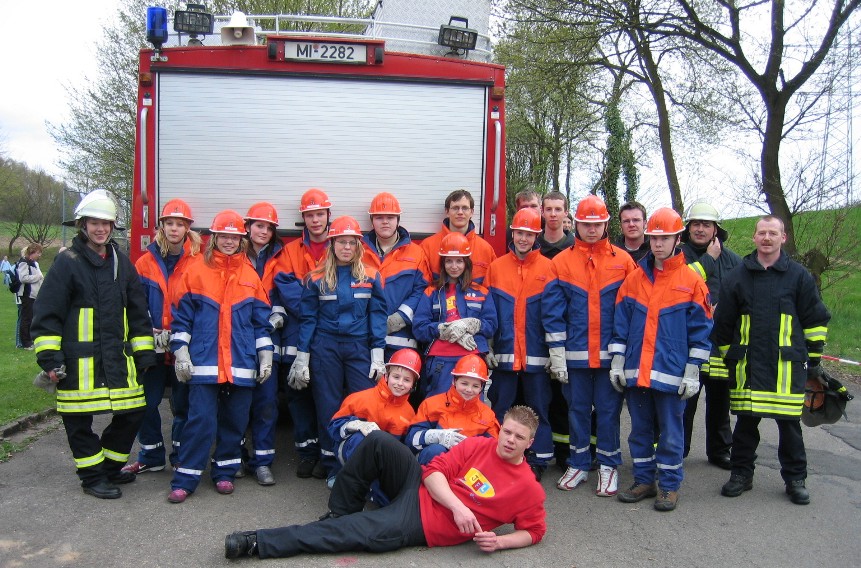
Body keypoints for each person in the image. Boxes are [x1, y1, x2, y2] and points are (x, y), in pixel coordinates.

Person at [224, 405, 546, 560]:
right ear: (500, 428)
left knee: (349, 533)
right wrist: (459, 507)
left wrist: (499, 542)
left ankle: (255, 542)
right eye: (506, 431)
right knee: (378, 440)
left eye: (519, 437)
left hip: (421, 523)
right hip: (420, 487)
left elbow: (534, 531)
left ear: (529, 443)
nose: (509, 440)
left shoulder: (528, 489)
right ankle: (341, 511)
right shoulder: (480, 445)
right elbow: (433, 472)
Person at [31, 189, 157, 499]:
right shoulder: (67, 263)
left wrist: (144, 355)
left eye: (106, 223)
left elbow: (138, 313)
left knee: (133, 412)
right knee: (77, 422)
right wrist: (50, 359)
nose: (100, 229)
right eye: (94, 223)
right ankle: (91, 477)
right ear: (82, 225)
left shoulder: (122, 264)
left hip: (118, 360)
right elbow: (47, 316)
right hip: (78, 364)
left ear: (113, 227)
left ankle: (110, 468)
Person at [716, 215, 830, 505]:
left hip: (786, 367)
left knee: (789, 427)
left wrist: (813, 360)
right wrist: (729, 358)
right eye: (762, 233)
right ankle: (741, 474)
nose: (767, 238)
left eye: (773, 233)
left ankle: (795, 480)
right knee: (744, 425)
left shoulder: (799, 276)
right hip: (748, 366)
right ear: (754, 238)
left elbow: (815, 319)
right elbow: (723, 324)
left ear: (783, 238)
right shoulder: (738, 276)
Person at [609, 207, 713, 512]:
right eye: (654, 238)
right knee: (639, 430)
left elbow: (701, 331)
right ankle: (644, 479)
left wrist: (693, 371)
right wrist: (617, 362)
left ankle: (669, 486)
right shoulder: (634, 279)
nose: (657, 244)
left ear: (677, 238)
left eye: (664, 238)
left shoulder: (692, 282)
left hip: (671, 374)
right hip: (637, 372)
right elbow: (621, 325)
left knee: (670, 433)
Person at [167, 209, 273, 503]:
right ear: (213, 238)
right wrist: (181, 352)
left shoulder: (250, 275)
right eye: (223, 236)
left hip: (240, 363)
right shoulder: (196, 270)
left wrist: (265, 356)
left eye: (234, 237)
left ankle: (225, 473)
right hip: (204, 363)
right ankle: (185, 478)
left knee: (235, 422)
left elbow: (260, 322)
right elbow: (182, 319)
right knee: (200, 421)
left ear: (242, 240)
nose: (229, 241)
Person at [543, 194, 637, 497]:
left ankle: (608, 466)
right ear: (578, 223)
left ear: (606, 223)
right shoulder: (561, 262)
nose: (591, 229)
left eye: (597, 224)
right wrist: (557, 355)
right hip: (574, 356)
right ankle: (579, 463)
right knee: (577, 411)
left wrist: (624, 354)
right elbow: (553, 312)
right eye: (586, 223)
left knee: (609, 413)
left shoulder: (623, 261)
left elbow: (631, 311)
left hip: (611, 356)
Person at [287, 215, 387, 487]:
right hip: (324, 347)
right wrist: (302, 357)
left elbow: (377, 316)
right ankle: (332, 466)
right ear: (331, 245)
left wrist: (378, 355)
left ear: (358, 246)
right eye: (341, 242)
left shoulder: (371, 276)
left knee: (363, 405)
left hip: (359, 348)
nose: (346, 247)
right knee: (328, 406)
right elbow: (308, 319)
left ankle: (360, 465)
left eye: (351, 243)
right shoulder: (315, 279)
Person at [122, 199, 201, 476]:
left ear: (188, 228)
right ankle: (151, 455)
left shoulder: (199, 260)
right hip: (152, 345)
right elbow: (134, 303)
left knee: (183, 404)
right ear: (161, 226)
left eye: (180, 224)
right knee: (146, 402)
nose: (175, 228)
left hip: (184, 345)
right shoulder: (144, 263)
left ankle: (179, 456)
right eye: (170, 223)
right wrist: (148, 330)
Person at [484, 208, 554, 480]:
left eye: (529, 234)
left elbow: (554, 315)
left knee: (538, 411)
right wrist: (487, 347)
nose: (523, 238)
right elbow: (488, 312)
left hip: (537, 357)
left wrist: (554, 353)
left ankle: (539, 460)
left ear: (537, 235)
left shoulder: (549, 268)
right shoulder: (496, 267)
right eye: (519, 233)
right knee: (500, 408)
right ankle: (497, 457)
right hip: (504, 354)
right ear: (512, 233)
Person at [267, 188, 330, 479]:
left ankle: (327, 453)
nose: (315, 220)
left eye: (320, 214)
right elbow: (286, 288)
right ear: (303, 218)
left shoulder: (343, 245)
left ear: (328, 215)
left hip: (329, 334)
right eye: (310, 215)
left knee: (327, 395)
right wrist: (316, 308)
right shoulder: (290, 252)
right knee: (297, 395)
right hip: (297, 332)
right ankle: (307, 452)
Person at [679, 200, 742, 470]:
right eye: (696, 224)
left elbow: (742, 295)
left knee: (720, 402)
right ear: (688, 228)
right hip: (687, 342)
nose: (701, 229)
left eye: (706, 224)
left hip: (720, 343)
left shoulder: (733, 260)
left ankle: (720, 450)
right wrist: (709, 260)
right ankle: (677, 450)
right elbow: (677, 286)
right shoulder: (678, 255)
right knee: (684, 403)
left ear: (716, 229)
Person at [412, 232, 498, 398]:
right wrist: (442, 329)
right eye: (449, 261)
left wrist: (472, 324)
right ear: (442, 264)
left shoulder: (481, 292)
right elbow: (419, 328)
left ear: (467, 263)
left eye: (459, 261)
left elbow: (491, 325)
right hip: (440, 360)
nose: (454, 266)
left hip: (472, 358)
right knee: (438, 408)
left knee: (470, 409)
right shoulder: (431, 292)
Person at [241, 202, 283, 486]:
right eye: (259, 225)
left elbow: (291, 287)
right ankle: (234, 455)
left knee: (267, 402)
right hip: (238, 336)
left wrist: (280, 308)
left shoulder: (282, 255)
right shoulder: (232, 254)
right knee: (237, 403)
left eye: (269, 227)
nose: (264, 231)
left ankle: (262, 461)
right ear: (247, 227)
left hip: (271, 335)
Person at [361, 192, 431, 359]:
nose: (385, 221)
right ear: (372, 220)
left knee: (398, 385)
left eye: (390, 217)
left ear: (398, 219)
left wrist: (400, 318)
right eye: (379, 217)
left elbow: (423, 290)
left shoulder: (416, 253)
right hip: (364, 339)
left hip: (402, 341)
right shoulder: (358, 251)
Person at [329, 348, 421, 466]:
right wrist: (357, 425)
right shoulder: (359, 399)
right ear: (386, 376)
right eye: (396, 377)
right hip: (353, 459)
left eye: (407, 380)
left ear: (413, 384)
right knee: (360, 439)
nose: (400, 383)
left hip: (383, 463)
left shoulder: (409, 413)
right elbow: (333, 427)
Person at [407, 353, 500, 465]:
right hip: (434, 466)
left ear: (482, 387)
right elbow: (411, 440)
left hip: (468, 468)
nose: (469, 390)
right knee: (435, 451)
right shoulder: (431, 404)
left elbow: (494, 449)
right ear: (454, 381)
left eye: (475, 386)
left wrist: (472, 446)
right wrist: (436, 436)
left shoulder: (487, 414)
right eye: (464, 383)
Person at [420, 189, 497, 284]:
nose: (460, 212)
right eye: (455, 208)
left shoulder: (486, 250)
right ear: (447, 211)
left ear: (472, 212)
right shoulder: (427, 247)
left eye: (465, 208)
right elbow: (422, 286)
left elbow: (492, 285)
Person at [17, 243, 45, 350]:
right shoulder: (24, 262)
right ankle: (26, 343)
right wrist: (37, 277)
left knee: (32, 318)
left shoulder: (34, 263)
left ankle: (31, 339)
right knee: (26, 318)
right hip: (27, 294)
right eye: (38, 253)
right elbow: (23, 278)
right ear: (32, 252)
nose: (39, 255)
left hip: (34, 295)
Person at [536, 191, 574, 259]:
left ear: (566, 213)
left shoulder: (575, 248)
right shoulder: (533, 247)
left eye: (558, 209)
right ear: (542, 212)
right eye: (549, 209)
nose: (553, 214)